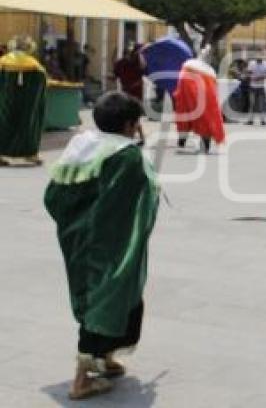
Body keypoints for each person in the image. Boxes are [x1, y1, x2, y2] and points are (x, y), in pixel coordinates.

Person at [44, 92, 159, 400]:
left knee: (117, 299)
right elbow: (133, 203)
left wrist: (76, 225)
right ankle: (81, 380)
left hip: (79, 238)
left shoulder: (82, 145)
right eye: (136, 123)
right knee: (105, 300)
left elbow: (52, 196)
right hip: (112, 245)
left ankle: (105, 358)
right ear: (128, 124)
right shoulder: (126, 157)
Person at [0, 37, 47, 166]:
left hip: (5, 102)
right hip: (28, 105)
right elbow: (42, 86)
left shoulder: (2, 63)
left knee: (4, 125)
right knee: (28, 125)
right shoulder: (36, 66)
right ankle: (30, 154)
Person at [173, 49, 225, 154]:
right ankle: (204, 146)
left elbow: (180, 84)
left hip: (187, 98)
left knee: (186, 120)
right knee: (206, 120)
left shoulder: (189, 65)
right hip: (200, 100)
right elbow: (212, 93)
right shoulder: (209, 72)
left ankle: (182, 144)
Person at [245, 56, 266, 125]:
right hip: (252, 86)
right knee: (252, 104)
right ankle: (250, 120)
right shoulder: (251, 63)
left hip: (262, 86)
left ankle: (263, 120)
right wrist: (251, 77)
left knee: (262, 104)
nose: (258, 57)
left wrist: (261, 77)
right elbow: (248, 73)